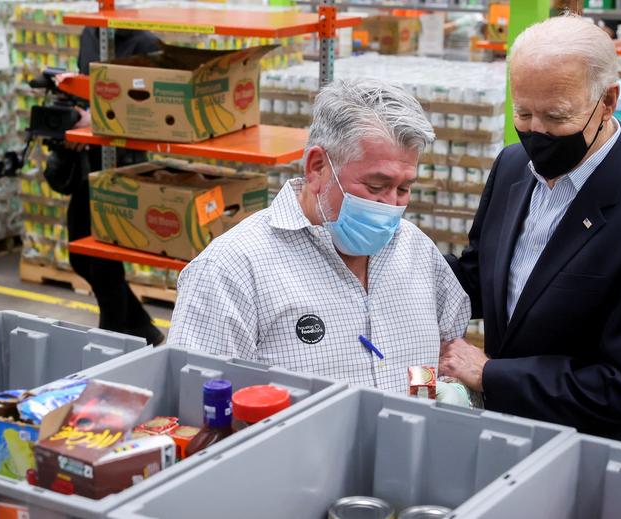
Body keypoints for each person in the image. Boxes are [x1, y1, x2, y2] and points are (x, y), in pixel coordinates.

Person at [439, 15, 621, 447]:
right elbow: (479, 278)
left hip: (587, 453)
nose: (537, 132)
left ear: (608, 101)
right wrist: (395, 266)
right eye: (523, 113)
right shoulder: (512, 167)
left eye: (557, 116)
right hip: (504, 437)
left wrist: (491, 374)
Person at [169, 79, 471, 393]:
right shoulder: (231, 270)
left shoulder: (418, 252)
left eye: (404, 188)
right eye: (375, 186)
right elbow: (196, 398)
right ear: (317, 168)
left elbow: (448, 362)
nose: (390, 205)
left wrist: (447, 391)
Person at [47, 28, 165, 345]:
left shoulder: (146, 43)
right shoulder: (90, 33)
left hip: (125, 163)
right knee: (80, 254)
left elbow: (153, 109)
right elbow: (88, 88)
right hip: (90, 160)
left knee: (103, 261)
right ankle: (141, 328)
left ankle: (109, 341)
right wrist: (76, 113)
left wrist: (95, 119)